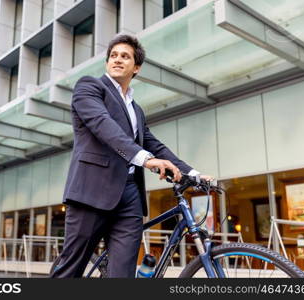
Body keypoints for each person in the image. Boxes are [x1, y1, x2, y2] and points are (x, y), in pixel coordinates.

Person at [50, 34, 213, 278]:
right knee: (69, 269)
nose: (117, 60)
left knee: (123, 274)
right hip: (91, 191)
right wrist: (145, 159)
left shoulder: (136, 109)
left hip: (129, 197)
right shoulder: (89, 87)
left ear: (136, 67)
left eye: (125, 56)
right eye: (113, 56)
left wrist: (193, 174)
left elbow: (154, 144)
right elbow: (104, 126)